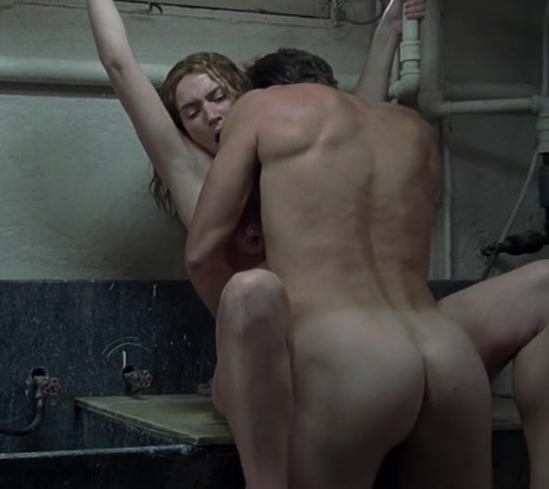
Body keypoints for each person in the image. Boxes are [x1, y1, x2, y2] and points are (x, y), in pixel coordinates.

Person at [78, 0, 549, 486]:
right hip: (271, 350)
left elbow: (357, 116)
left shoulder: (292, 148)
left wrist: (387, 34)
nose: (211, 114)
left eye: (217, 96)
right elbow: (120, 66)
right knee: (254, 292)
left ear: (245, 94)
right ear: (182, 131)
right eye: (191, 113)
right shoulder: (193, 173)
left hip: (372, 344)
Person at [187, 48, 492, 488]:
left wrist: (249, 349)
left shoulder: (259, 108)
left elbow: (201, 253)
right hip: (448, 354)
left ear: (263, 88)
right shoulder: (414, 129)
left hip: (349, 358)